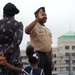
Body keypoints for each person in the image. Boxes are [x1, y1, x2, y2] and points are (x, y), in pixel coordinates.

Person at [25, 7, 54, 75]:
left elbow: (50, 46)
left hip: (48, 57)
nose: (45, 16)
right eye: (43, 15)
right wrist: (37, 19)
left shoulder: (47, 29)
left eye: (46, 15)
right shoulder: (34, 27)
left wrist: (52, 60)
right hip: (38, 56)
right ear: (38, 16)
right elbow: (27, 30)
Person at [0, 2, 23, 75]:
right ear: (14, 14)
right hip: (13, 59)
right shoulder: (18, 25)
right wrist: (5, 52)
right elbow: (17, 42)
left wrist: (1, 54)